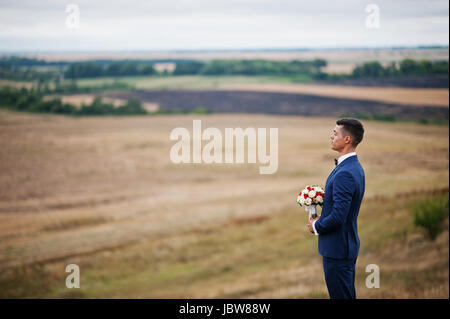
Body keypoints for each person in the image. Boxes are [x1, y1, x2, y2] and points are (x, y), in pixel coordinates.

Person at [307, 118, 365, 299]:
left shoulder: (346, 173)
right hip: (344, 246)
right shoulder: (353, 167)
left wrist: (316, 226)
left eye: (335, 133)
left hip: (338, 249)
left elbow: (339, 215)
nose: (331, 136)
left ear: (347, 139)